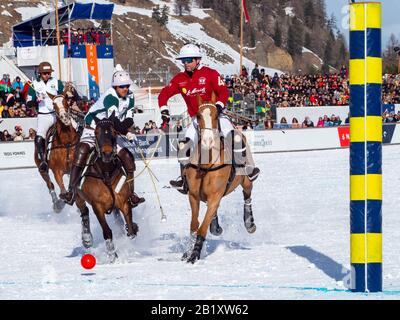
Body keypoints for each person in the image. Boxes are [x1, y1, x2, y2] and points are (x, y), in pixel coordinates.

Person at [158, 43, 260, 194]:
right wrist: (164, 111)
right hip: (196, 120)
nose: (185, 63)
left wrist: (218, 106)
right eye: (183, 61)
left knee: (234, 137)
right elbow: (163, 95)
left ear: (197, 60)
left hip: (216, 116)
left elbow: (223, 92)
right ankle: (184, 180)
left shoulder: (210, 73)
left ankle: (245, 168)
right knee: (183, 146)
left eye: (189, 60)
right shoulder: (180, 79)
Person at [60, 68, 144, 207]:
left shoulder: (130, 96)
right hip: (93, 129)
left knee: (128, 157)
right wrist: (126, 132)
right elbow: (115, 121)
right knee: (82, 151)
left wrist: (128, 130)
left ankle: (131, 194)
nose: (125, 88)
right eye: (122, 86)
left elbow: (128, 118)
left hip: (109, 131)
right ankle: (71, 191)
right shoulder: (110, 97)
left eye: (127, 86)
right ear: (115, 86)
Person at [27, 62, 64, 173]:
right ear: (40, 74)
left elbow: (62, 96)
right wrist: (36, 100)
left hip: (57, 114)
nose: (47, 75)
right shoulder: (34, 85)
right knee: (39, 138)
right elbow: (28, 103)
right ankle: (43, 161)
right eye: (45, 73)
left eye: (48, 73)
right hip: (43, 116)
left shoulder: (56, 82)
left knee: (74, 128)